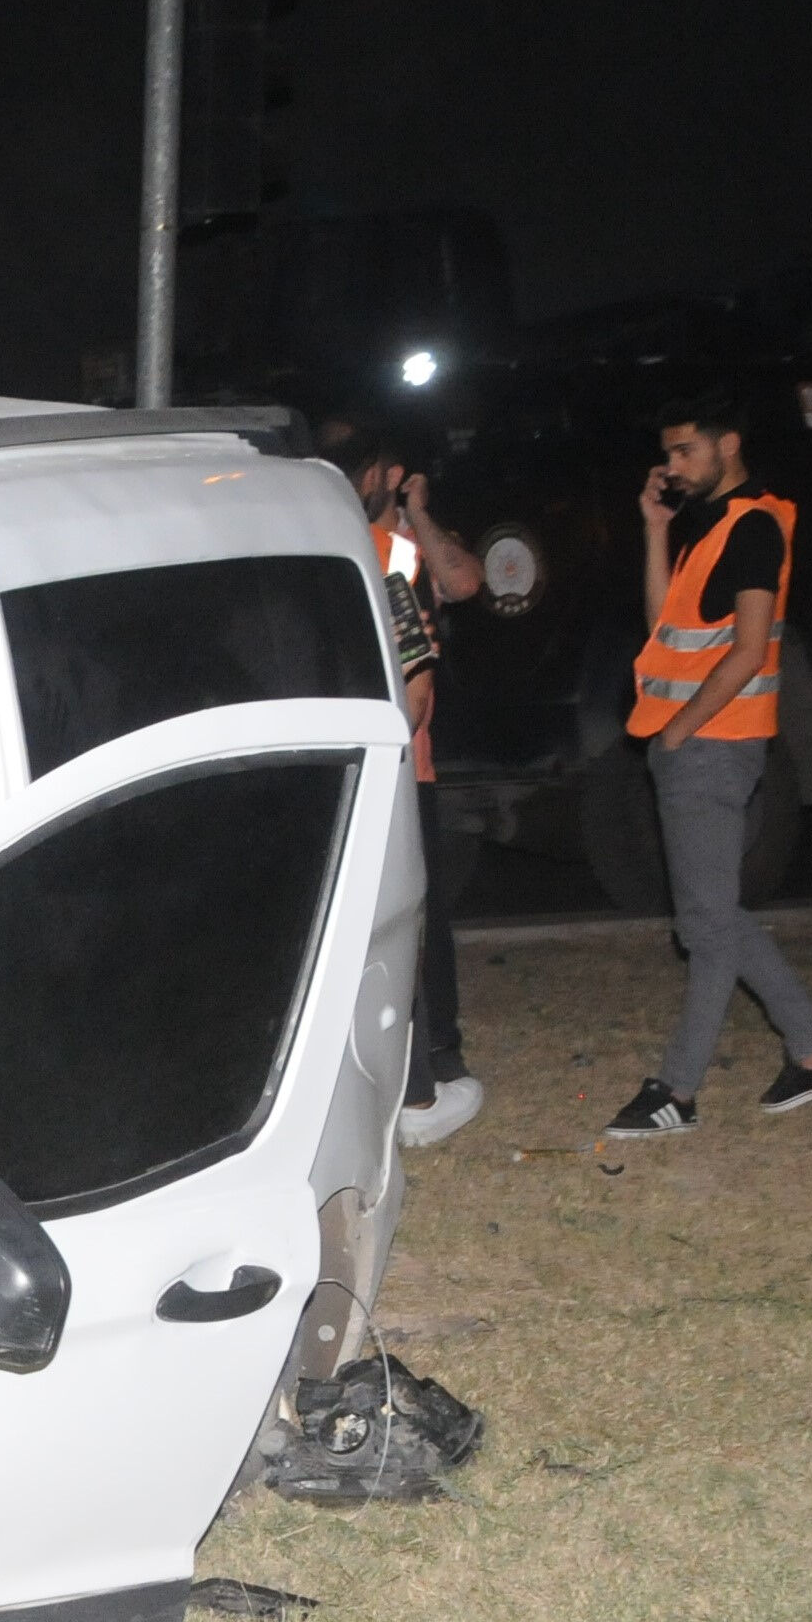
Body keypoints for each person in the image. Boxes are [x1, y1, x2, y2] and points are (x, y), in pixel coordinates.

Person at [603, 389, 812, 1136]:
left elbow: (749, 647)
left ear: (729, 444)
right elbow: (663, 627)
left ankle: (678, 1090)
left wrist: (680, 731)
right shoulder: (711, 526)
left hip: (711, 744)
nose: (673, 466)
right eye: (668, 453)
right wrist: (655, 530)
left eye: (686, 451)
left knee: (706, 924)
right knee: (711, 919)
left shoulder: (751, 527)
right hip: (697, 743)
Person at [332, 424, 488, 1145]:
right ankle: (417, 1091)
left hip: (362, 766)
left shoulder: (372, 545)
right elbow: (416, 693)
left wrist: (416, 510)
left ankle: (420, 1065)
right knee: (402, 926)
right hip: (390, 769)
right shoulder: (379, 557)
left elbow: (465, 580)